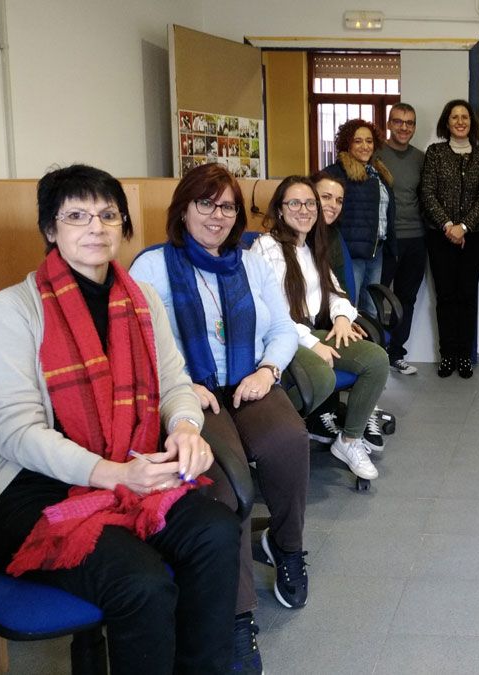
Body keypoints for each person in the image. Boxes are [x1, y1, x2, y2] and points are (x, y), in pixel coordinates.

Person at [0, 164, 241, 674]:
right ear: (51, 230)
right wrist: (114, 474)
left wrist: (185, 427)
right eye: (76, 215)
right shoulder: (16, 308)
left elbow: (176, 384)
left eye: (107, 214)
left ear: (123, 226)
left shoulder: (142, 301)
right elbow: (14, 431)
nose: (95, 227)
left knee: (217, 533)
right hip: (32, 487)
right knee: (140, 581)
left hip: (129, 468)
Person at [129, 165, 311, 658]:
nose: (217, 215)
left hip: (249, 380)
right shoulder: (151, 268)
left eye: (227, 205)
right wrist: (184, 384)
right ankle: (236, 612)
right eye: (205, 204)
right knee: (225, 482)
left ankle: (288, 547)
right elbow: (139, 346)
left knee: (289, 442)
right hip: (192, 394)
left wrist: (268, 371)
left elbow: (285, 329)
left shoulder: (250, 262)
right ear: (183, 209)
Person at [251, 174, 390, 481]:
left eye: (310, 203)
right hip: (283, 336)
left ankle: (349, 440)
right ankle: (268, 440)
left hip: (315, 329)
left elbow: (334, 291)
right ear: (280, 209)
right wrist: (312, 344)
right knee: (321, 379)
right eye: (295, 203)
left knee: (376, 359)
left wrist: (341, 317)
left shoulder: (312, 245)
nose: (305, 210)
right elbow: (272, 314)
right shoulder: (267, 247)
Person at [419, 98, 479, 378]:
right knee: (445, 296)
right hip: (440, 236)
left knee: (467, 296)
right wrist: (449, 225)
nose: (460, 121)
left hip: (473, 238)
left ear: (472, 123)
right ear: (446, 123)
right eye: (455, 117)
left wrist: (464, 227)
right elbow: (427, 193)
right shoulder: (435, 153)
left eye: (465, 117)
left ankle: (464, 355)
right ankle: (447, 354)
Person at [324, 118, 395, 314]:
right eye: (358, 141)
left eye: (369, 141)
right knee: (348, 308)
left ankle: (370, 345)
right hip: (350, 254)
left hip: (376, 252)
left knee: (372, 309)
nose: (365, 146)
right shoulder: (335, 174)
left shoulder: (377, 173)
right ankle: (350, 345)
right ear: (347, 143)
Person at [377, 102, 426, 375]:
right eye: (398, 121)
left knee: (407, 297)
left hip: (416, 238)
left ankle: (397, 353)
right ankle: (375, 351)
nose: (404, 127)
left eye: (409, 123)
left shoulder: (421, 158)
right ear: (389, 124)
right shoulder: (375, 155)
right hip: (385, 239)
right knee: (377, 297)